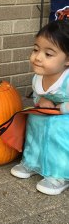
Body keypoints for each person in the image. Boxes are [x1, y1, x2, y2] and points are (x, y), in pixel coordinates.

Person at [11, 20, 69, 195]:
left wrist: (64, 107)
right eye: (36, 50)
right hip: (50, 113)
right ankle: (32, 162)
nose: (38, 57)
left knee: (58, 128)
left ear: (67, 59)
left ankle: (60, 174)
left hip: (65, 117)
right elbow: (39, 94)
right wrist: (41, 100)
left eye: (48, 54)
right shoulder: (39, 77)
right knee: (35, 120)